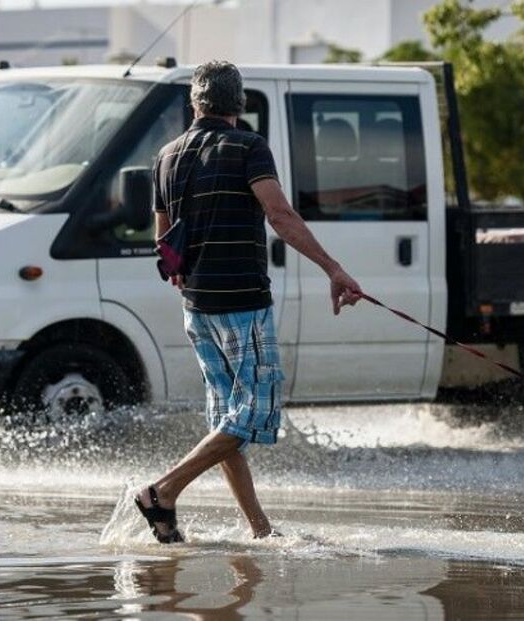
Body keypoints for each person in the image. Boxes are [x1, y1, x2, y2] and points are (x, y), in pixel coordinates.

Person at [135, 61, 361, 543]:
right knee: (255, 412)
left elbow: (163, 242)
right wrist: (333, 269)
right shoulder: (248, 147)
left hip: (196, 306)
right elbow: (278, 214)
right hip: (242, 301)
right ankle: (163, 490)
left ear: (195, 104)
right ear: (239, 105)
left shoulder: (166, 155)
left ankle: (260, 529)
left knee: (227, 420)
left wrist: (180, 272)